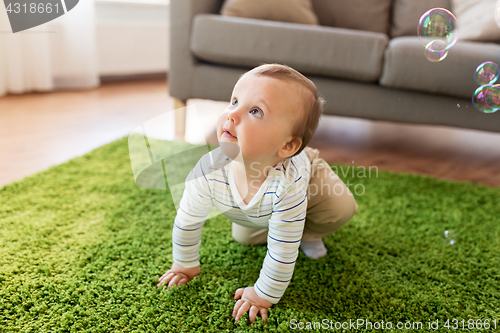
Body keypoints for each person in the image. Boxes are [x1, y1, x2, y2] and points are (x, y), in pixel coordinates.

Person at [157, 63, 358, 324]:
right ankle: (282, 223)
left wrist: (263, 294)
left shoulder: (288, 183)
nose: (232, 115)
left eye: (255, 111)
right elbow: (188, 220)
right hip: (263, 200)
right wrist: (184, 264)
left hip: (308, 175)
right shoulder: (208, 170)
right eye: (234, 101)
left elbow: (282, 252)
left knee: (339, 207)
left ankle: (307, 232)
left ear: (287, 145)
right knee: (245, 238)